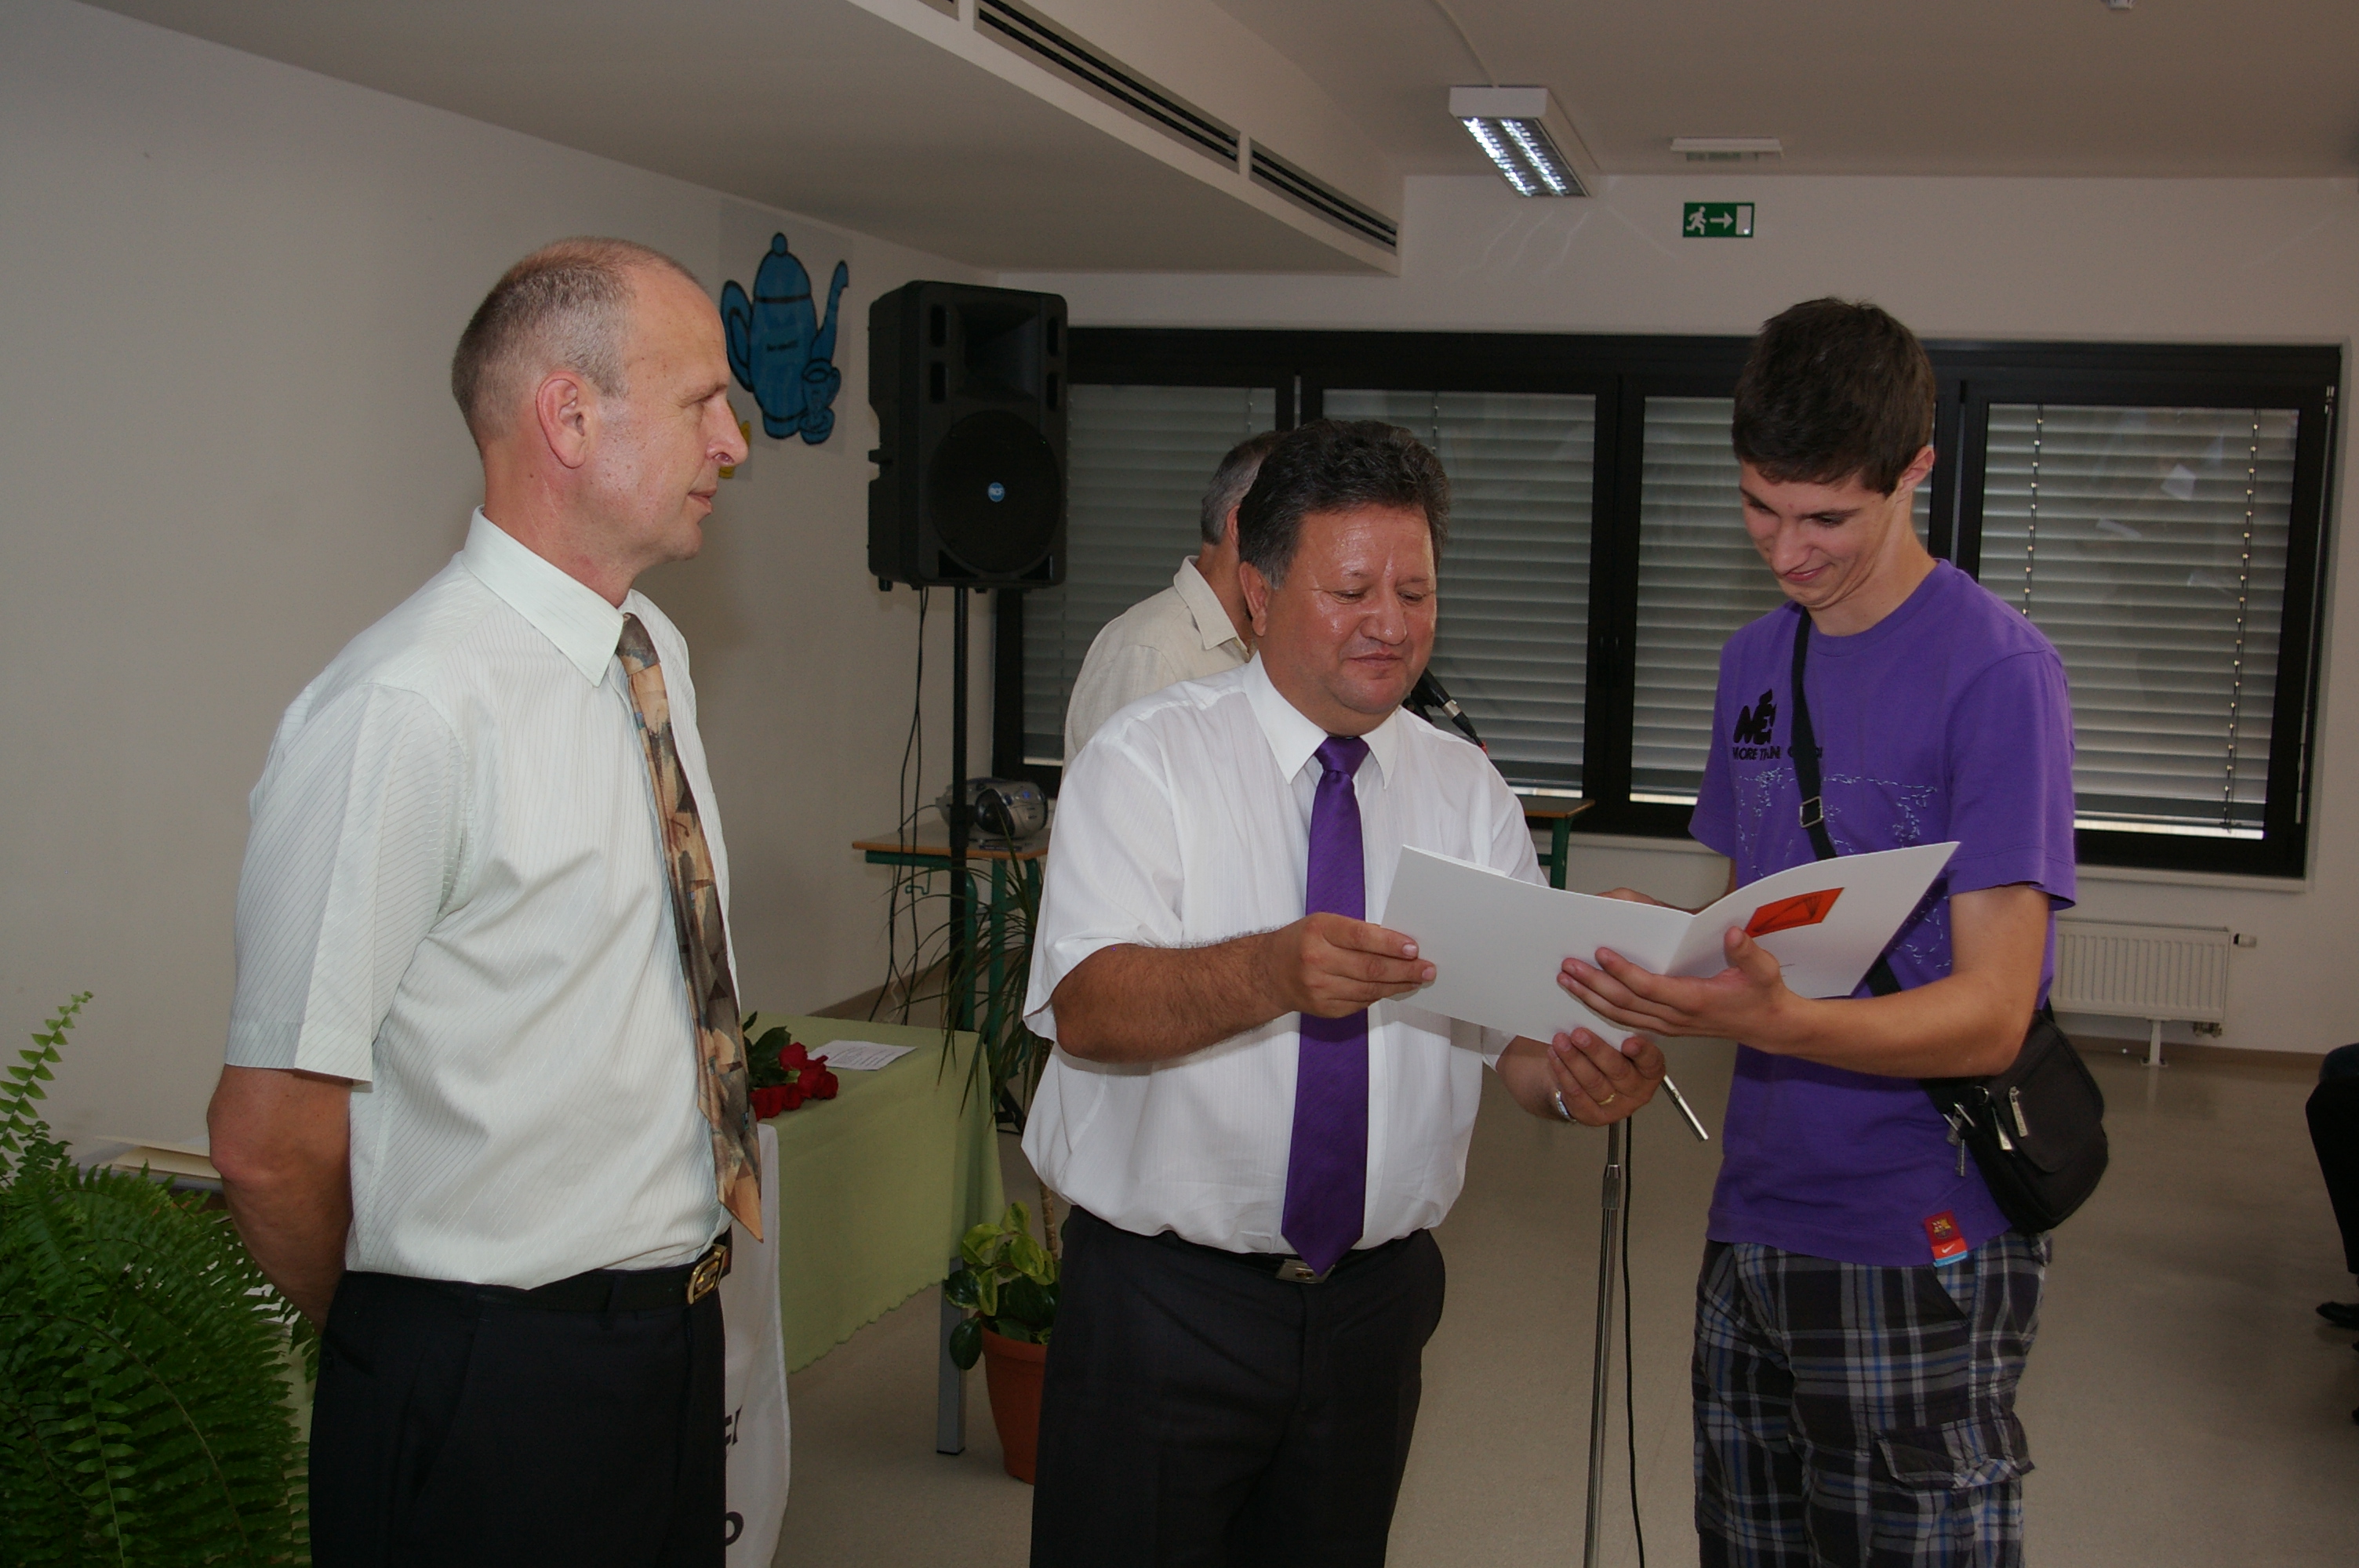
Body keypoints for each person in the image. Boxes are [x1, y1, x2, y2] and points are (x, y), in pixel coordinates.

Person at [1022, 418, 1665, 1566]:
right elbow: (1087, 1008)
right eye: (1353, 590)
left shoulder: (1463, 790)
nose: (1391, 623)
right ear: (1259, 592)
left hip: (1374, 1306)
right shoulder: (1145, 762)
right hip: (1167, 1307)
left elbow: (1514, 1040)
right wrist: (1269, 971)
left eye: (1415, 591)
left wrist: (1578, 1079)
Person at [205, 238, 754, 1566]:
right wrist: (413, 1342)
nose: (733, 444)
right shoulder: (406, 709)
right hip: (489, 1378)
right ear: (568, 417)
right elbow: (267, 1140)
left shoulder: (651, 655)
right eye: (701, 402)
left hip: (667, 1341)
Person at [1558, 299, 2076, 1567]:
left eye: (1827, 519)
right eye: (1759, 506)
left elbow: (1990, 1013)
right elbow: (1764, 930)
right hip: (1753, 1218)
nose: (1786, 552)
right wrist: (1660, 947)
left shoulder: (1997, 674)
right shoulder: (1753, 663)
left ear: (1914, 469)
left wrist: (1781, 1022)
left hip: (1919, 1231)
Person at [1060, 428, 1285, 757]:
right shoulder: (1152, 651)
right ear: (1242, 527)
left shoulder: (1272, 643)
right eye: (1292, 530)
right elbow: (1125, 788)